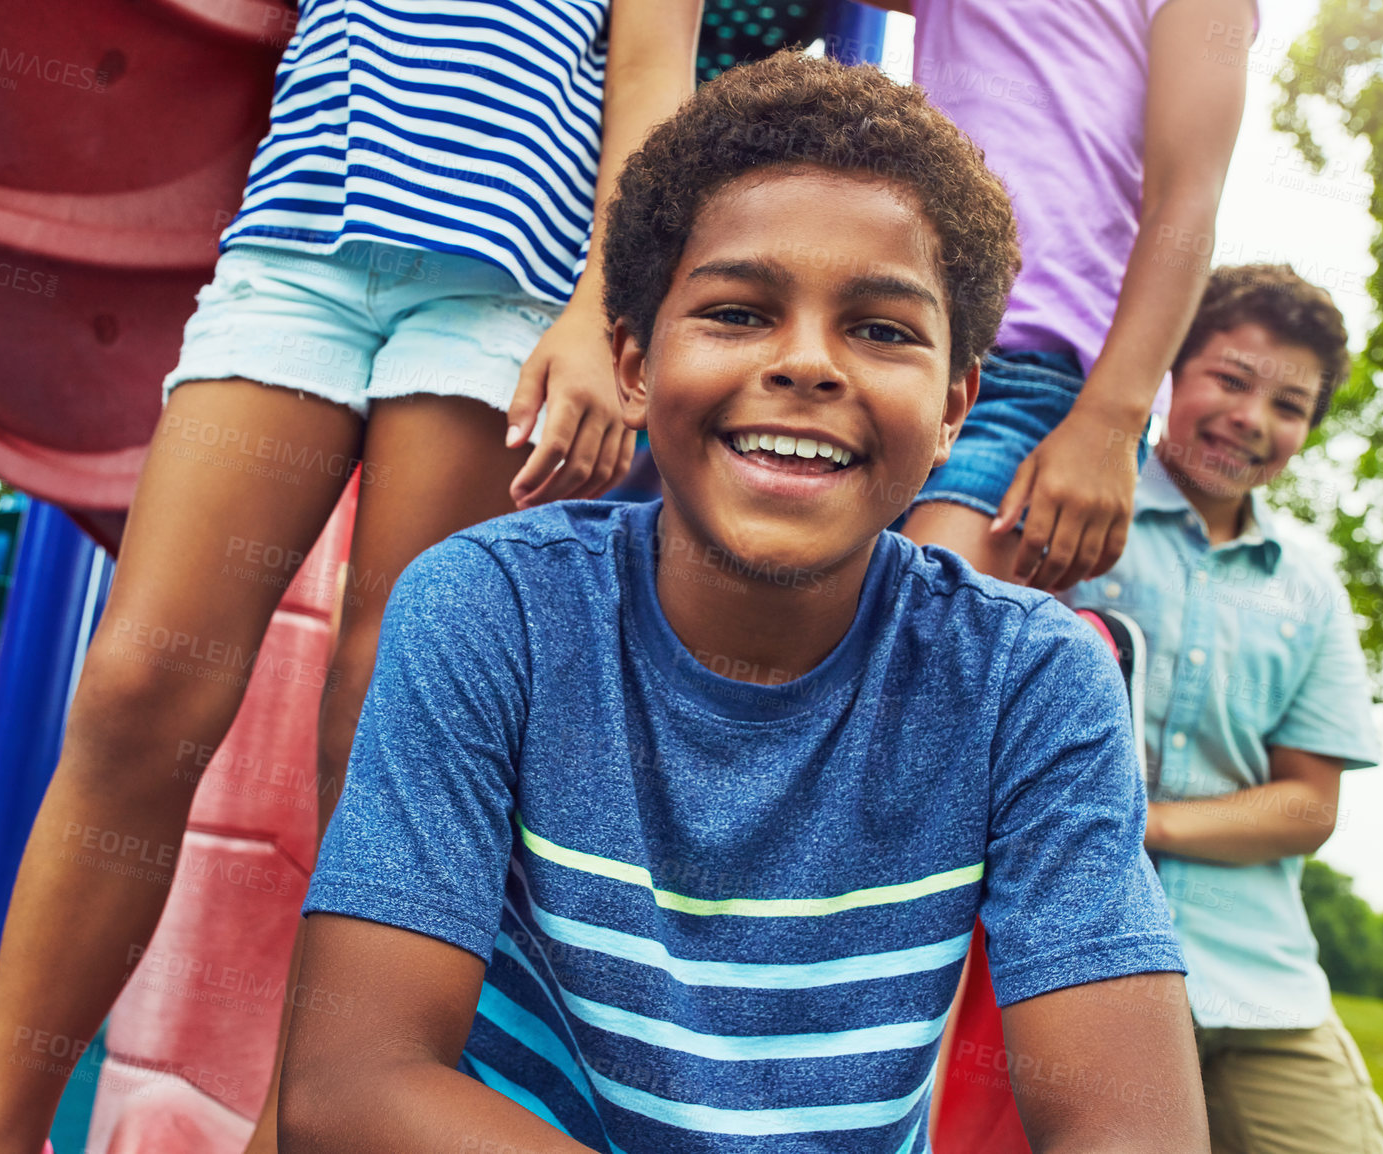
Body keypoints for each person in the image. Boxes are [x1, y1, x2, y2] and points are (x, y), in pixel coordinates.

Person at [279, 51, 1208, 1154]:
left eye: (882, 328)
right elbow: (353, 1084)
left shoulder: (1029, 680)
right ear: (632, 360)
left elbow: (1131, 1130)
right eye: (736, 310)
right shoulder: (493, 611)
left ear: (957, 403)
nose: (807, 362)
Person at [0, 3, 704, 1152]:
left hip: (506, 276)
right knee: (141, 683)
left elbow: (651, 77)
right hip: (292, 247)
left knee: (383, 723)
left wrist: (607, 315)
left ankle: (292, 1134)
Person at [1070, 264, 1383, 1153]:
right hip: (1085, 968)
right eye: (1230, 379)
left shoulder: (1311, 592)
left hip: (1261, 982)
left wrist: (1149, 823)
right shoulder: (1086, 511)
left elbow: (1306, 806)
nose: (1252, 419)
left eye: (1289, 406)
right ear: (1172, 371)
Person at [866, 0, 1255, 593]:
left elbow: (1187, 197)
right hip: (892, 336)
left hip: (1039, 379)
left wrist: (1112, 421)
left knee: (923, 634)